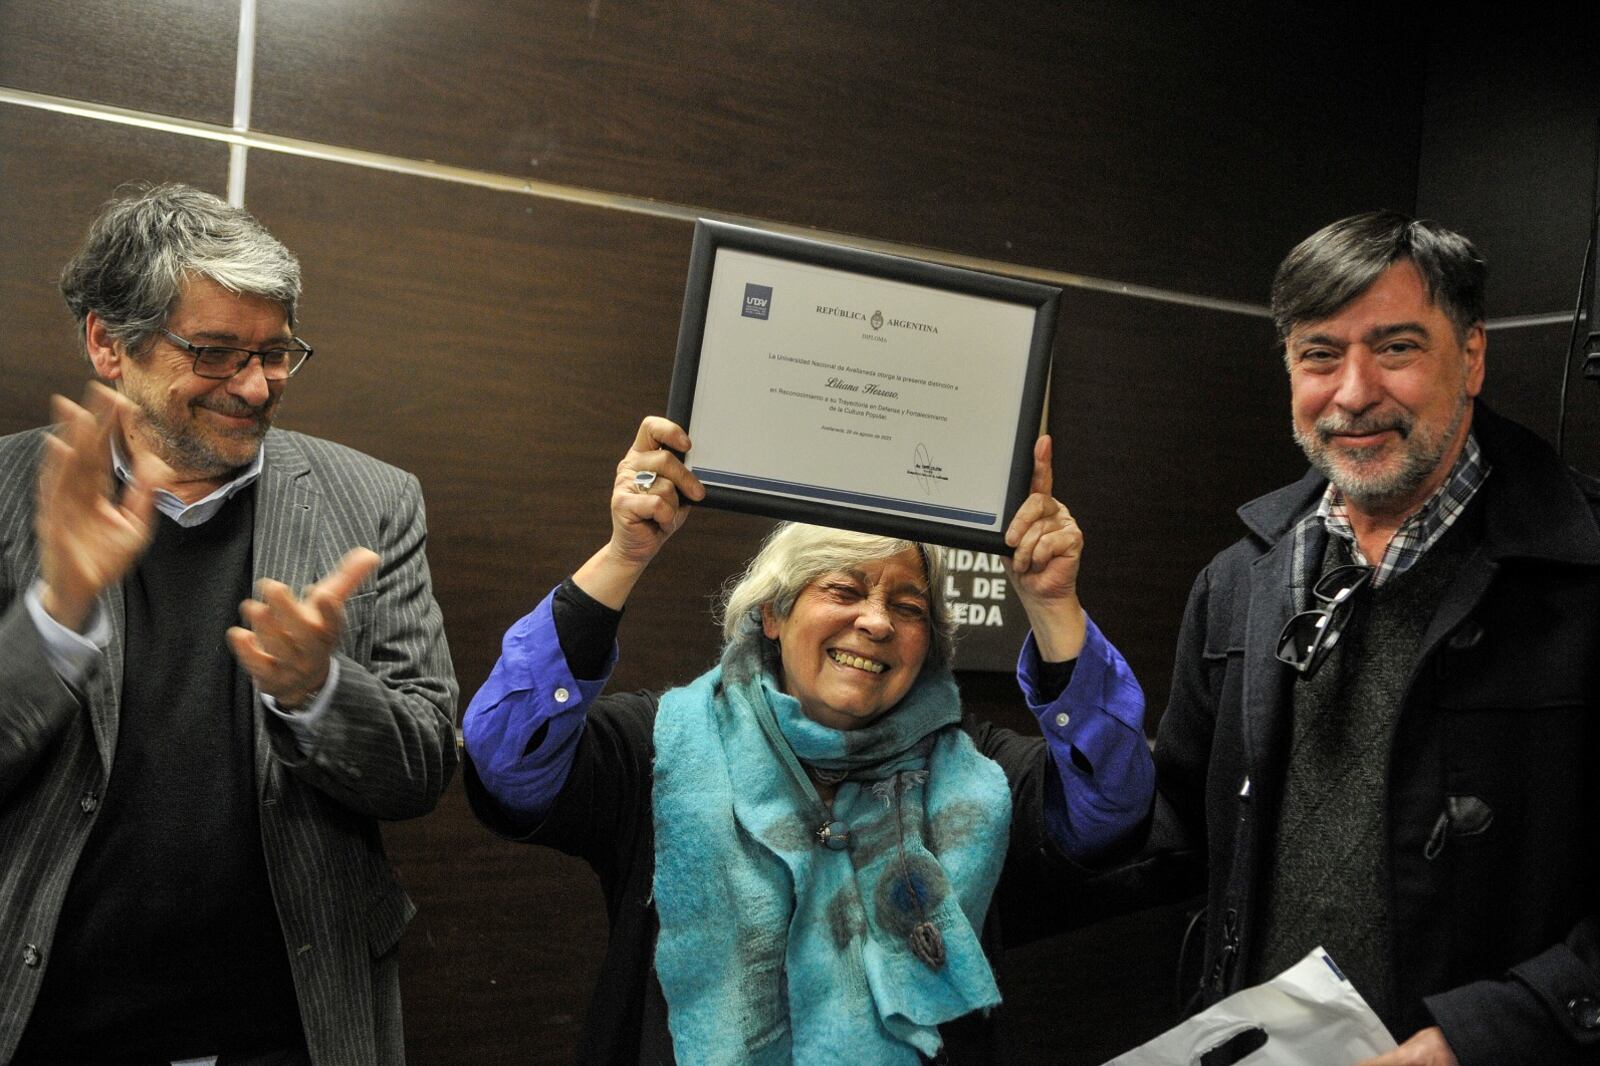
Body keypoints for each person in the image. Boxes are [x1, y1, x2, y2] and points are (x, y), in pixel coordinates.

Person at [463, 415, 1154, 1064]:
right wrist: (624, 553)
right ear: (772, 613)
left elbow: (1113, 806)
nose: (877, 622)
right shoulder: (660, 746)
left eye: (908, 607)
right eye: (844, 590)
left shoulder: (977, 773)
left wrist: (1053, 605)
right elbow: (506, 758)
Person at [0, 184, 458, 1065]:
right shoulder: (10, 495)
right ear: (107, 343)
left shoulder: (373, 503)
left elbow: (423, 771)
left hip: (288, 1028)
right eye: (214, 354)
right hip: (46, 1020)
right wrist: (54, 618)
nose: (256, 386)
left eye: (277, 352)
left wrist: (318, 691)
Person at [1143, 211, 1600, 1065]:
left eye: (1395, 349)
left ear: (1471, 356)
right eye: (1320, 354)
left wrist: (1489, 1034)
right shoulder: (1237, 580)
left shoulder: (1584, 568)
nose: (1352, 392)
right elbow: (1172, 831)